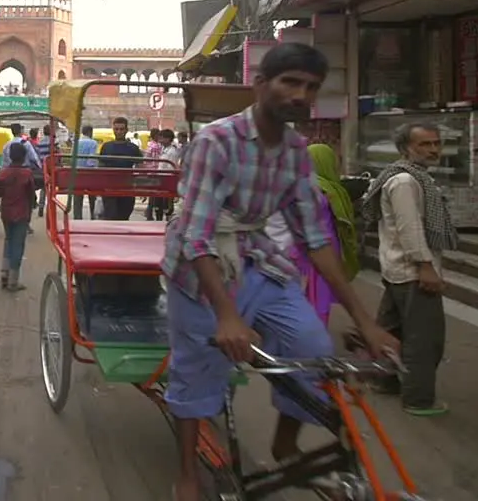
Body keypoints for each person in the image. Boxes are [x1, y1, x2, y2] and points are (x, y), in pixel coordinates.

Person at [162, 43, 399, 501]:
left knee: (312, 347)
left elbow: (316, 240)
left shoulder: (296, 152)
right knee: (198, 371)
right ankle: (188, 472)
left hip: (258, 260)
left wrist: (366, 322)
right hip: (200, 270)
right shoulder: (216, 141)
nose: (299, 94)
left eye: (309, 87)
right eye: (289, 81)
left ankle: (285, 442)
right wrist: (228, 315)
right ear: (260, 84)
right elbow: (196, 237)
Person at [360, 122, 454, 417]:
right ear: (404, 149)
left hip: (397, 269)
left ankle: (385, 381)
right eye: (424, 144)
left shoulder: (413, 178)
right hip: (411, 270)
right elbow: (409, 228)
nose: (433, 150)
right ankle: (419, 399)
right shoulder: (405, 182)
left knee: (392, 330)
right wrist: (426, 267)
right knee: (424, 340)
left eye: (436, 143)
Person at [266, 143, 358, 327]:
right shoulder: (326, 191)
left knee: (303, 297)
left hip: (300, 252)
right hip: (319, 252)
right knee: (317, 298)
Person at [0, 142, 36, 291]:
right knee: (18, 245)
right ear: (24, 156)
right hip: (21, 213)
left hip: (6, 213)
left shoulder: (3, 173)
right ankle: (13, 281)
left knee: (8, 241)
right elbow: (31, 196)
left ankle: (4, 274)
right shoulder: (27, 174)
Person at [97, 117, 142, 220]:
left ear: (126, 130)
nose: (119, 132)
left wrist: (140, 186)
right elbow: (101, 166)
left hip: (127, 188)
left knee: (124, 217)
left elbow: (140, 167)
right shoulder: (106, 147)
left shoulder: (133, 148)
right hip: (109, 188)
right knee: (110, 217)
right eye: (116, 129)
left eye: (121, 129)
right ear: (113, 130)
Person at [73, 125, 100, 220]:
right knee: (92, 196)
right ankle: (93, 215)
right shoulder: (93, 143)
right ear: (90, 132)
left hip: (77, 172)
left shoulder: (76, 143)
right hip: (89, 173)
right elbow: (91, 159)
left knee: (77, 197)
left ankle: (77, 217)